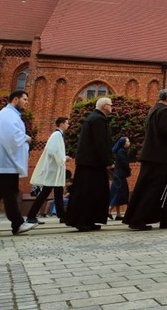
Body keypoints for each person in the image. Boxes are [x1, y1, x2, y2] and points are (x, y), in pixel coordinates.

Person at [0, 90, 37, 236]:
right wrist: (26, 138)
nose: (26, 102)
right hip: (4, 162)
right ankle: (17, 224)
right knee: (11, 192)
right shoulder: (8, 115)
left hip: (0, 162)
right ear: (15, 99)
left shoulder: (8, 114)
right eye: (24, 99)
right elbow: (11, 137)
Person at [124, 89, 167, 231]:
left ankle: (166, 218)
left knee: (161, 188)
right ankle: (138, 220)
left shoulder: (154, 110)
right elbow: (166, 132)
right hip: (162, 158)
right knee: (153, 189)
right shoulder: (164, 111)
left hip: (154, 156)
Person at [66, 97, 113, 232]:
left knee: (92, 192)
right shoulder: (98, 119)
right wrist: (108, 161)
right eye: (110, 105)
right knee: (88, 192)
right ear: (104, 106)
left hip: (89, 162)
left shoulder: (94, 118)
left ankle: (89, 220)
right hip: (92, 163)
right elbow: (100, 142)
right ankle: (83, 221)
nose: (112, 107)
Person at [27, 117, 70, 225]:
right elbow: (52, 150)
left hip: (55, 170)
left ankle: (62, 216)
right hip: (53, 171)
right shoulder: (56, 135)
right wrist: (63, 158)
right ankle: (31, 216)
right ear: (61, 124)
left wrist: (63, 157)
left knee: (58, 193)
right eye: (67, 123)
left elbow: (55, 151)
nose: (68, 125)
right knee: (46, 193)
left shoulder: (58, 135)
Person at [108, 137, 131, 220]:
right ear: (123, 143)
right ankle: (109, 210)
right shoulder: (122, 152)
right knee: (119, 193)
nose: (129, 143)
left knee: (118, 193)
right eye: (128, 141)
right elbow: (125, 164)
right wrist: (129, 171)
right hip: (120, 176)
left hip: (118, 176)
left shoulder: (120, 151)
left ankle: (118, 214)